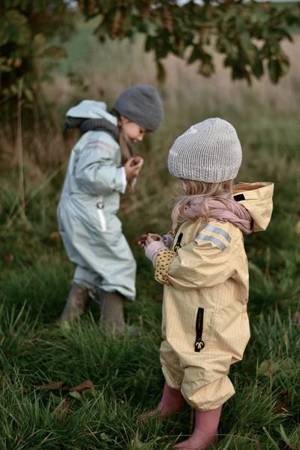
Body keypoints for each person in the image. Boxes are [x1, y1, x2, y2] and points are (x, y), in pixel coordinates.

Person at [139, 118, 274, 449]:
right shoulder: (201, 213)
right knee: (173, 352)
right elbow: (189, 246)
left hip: (209, 321)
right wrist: (170, 240)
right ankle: (171, 403)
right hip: (188, 310)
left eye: (187, 179)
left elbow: (195, 267)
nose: (182, 185)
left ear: (205, 179)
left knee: (204, 368)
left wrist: (158, 254)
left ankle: (205, 433)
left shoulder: (219, 228)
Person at [57, 84, 163, 333]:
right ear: (126, 118)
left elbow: (98, 172)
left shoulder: (107, 136)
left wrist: (126, 173)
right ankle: (113, 329)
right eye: (141, 129)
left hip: (82, 211)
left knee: (90, 262)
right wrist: (121, 174)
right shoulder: (102, 138)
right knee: (119, 262)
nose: (140, 137)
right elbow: (89, 174)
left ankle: (67, 321)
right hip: (90, 213)